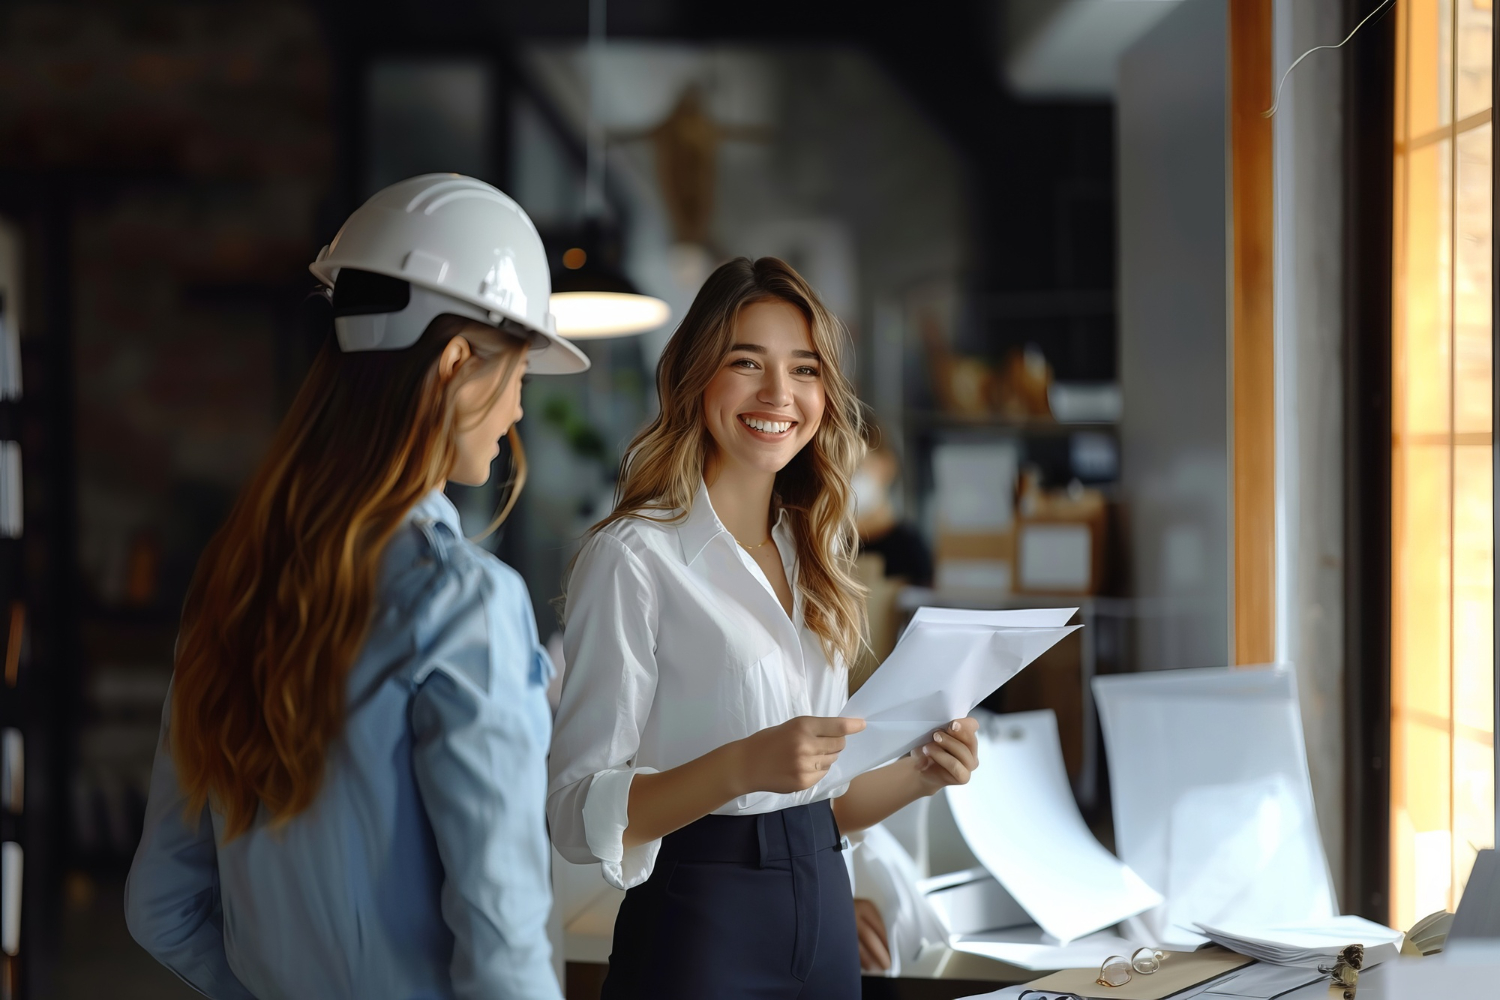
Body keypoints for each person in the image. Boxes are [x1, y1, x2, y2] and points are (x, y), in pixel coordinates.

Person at [124, 174, 588, 1000]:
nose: (519, 407)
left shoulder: (236, 580)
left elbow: (158, 906)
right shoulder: (468, 603)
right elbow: (504, 948)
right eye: (520, 373)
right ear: (455, 364)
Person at [547, 256, 983, 999]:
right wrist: (741, 765)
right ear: (696, 379)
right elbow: (573, 813)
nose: (779, 394)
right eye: (747, 362)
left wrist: (920, 775)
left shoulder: (814, 555)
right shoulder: (633, 559)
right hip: (696, 933)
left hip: (823, 918)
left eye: (804, 369)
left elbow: (819, 808)